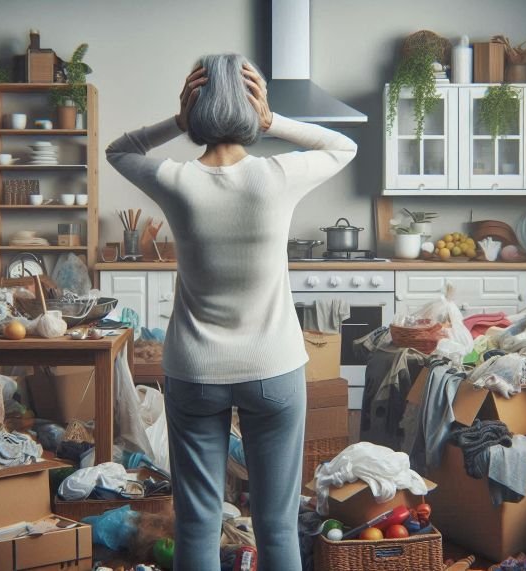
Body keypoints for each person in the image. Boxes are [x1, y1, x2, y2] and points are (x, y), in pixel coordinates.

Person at [106, 53, 357, 570]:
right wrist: (273, 122)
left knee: (197, 522)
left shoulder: (175, 179)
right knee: (276, 524)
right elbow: (343, 144)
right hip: (274, 370)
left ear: (194, 108)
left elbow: (118, 149)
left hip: (195, 372)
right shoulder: (277, 175)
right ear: (251, 108)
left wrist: (177, 123)